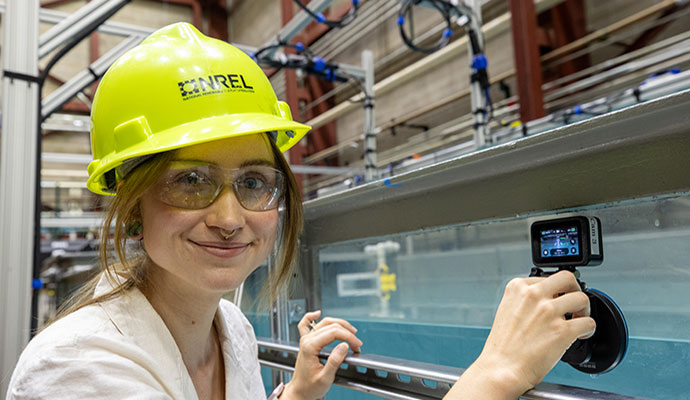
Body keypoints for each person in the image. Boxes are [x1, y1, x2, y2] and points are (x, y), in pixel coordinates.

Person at [6, 23, 594, 400]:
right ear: (132, 208)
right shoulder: (78, 369)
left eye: (255, 182)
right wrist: (495, 375)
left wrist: (296, 395)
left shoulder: (230, 328)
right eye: (191, 181)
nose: (231, 216)